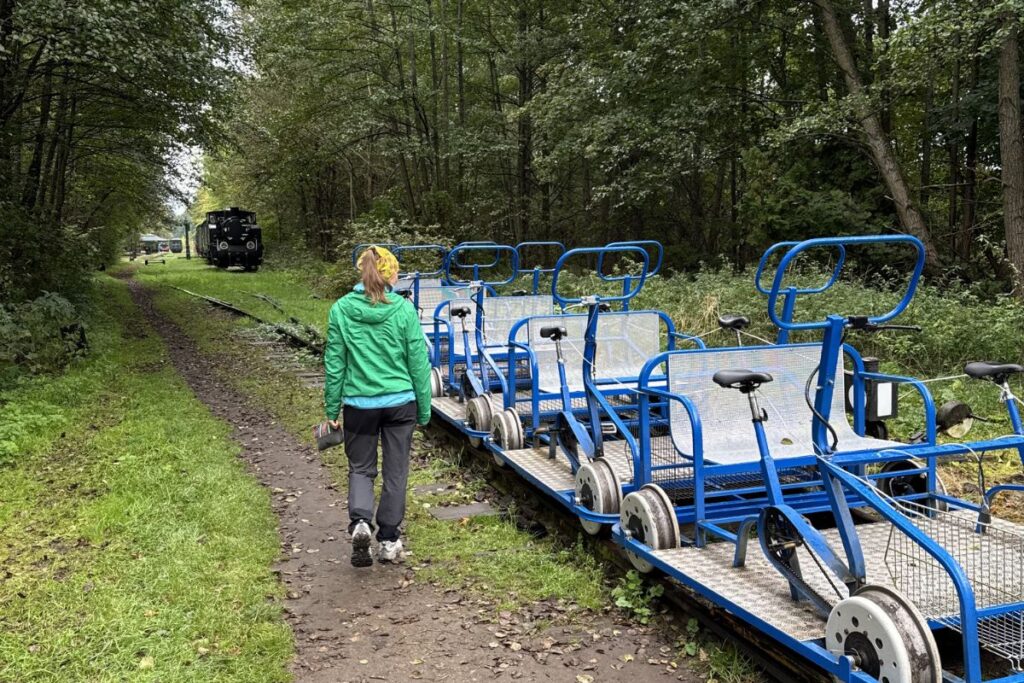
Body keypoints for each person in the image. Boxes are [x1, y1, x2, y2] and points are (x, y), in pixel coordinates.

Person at [323, 245, 432, 567]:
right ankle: (388, 540)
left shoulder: (341, 309)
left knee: (360, 468)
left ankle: (359, 522)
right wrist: (423, 408)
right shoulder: (403, 310)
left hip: (359, 405)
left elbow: (335, 363)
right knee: (396, 471)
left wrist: (332, 409)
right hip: (400, 403)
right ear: (389, 275)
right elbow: (418, 362)